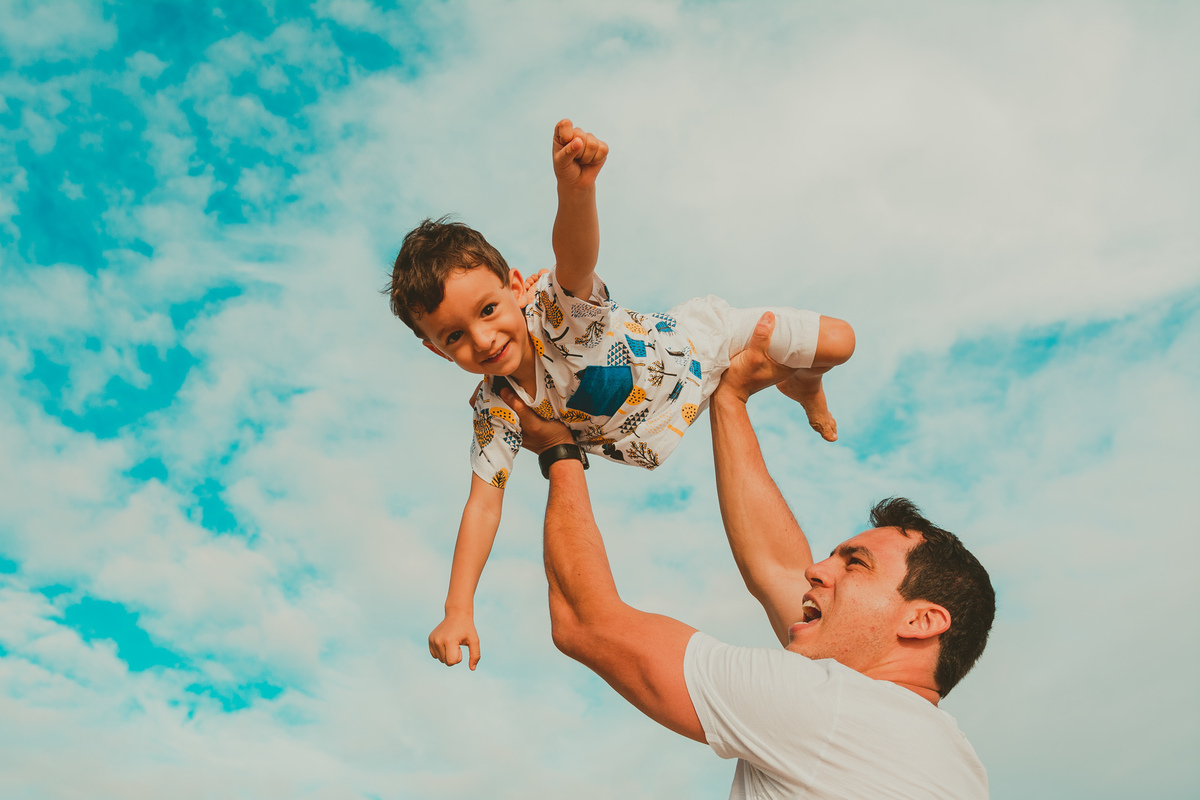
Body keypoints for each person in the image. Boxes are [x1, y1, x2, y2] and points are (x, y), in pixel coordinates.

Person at [385, 119, 855, 669]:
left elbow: (575, 260)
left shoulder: (556, 314)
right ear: (438, 351)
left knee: (839, 341)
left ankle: (806, 381)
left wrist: (575, 190)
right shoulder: (497, 409)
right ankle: (797, 377)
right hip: (673, 418)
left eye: (488, 310)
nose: (484, 340)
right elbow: (483, 504)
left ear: (515, 288)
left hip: (707, 343)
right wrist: (457, 606)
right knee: (803, 356)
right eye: (455, 337)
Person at [498, 313, 995, 799]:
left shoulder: (828, 710)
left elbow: (585, 622)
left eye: (856, 565)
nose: (815, 570)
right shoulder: (950, 763)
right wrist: (730, 399)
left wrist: (559, 452)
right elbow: (777, 568)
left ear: (923, 620)